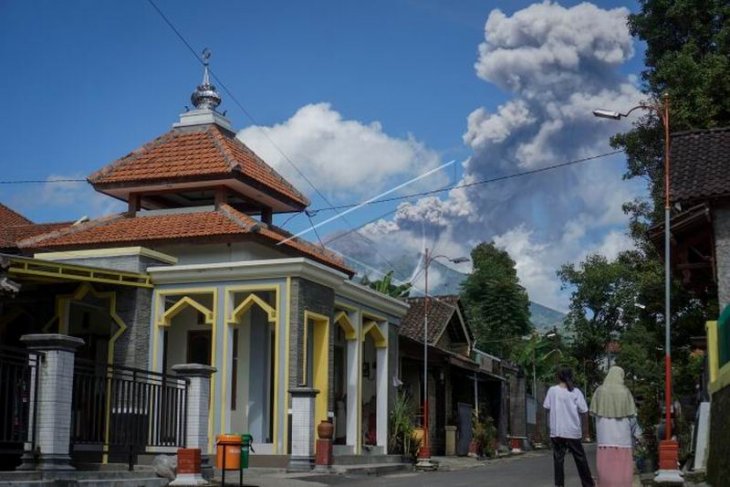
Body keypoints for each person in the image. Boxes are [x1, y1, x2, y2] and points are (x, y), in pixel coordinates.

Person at [544, 367, 595, 487]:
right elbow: (584, 411)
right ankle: (588, 484)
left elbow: (546, 407)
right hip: (572, 431)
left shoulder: (552, 390)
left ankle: (559, 485)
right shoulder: (576, 392)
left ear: (558, 377)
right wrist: (586, 432)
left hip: (557, 431)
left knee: (558, 460)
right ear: (571, 377)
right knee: (580, 459)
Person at [590, 366, 639, 487]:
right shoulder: (625, 391)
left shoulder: (599, 391)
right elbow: (632, 417)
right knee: (622, 472)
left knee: (605, 471)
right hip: (623, 440)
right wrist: (636, 434)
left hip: (604, 439)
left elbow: (594, 415)